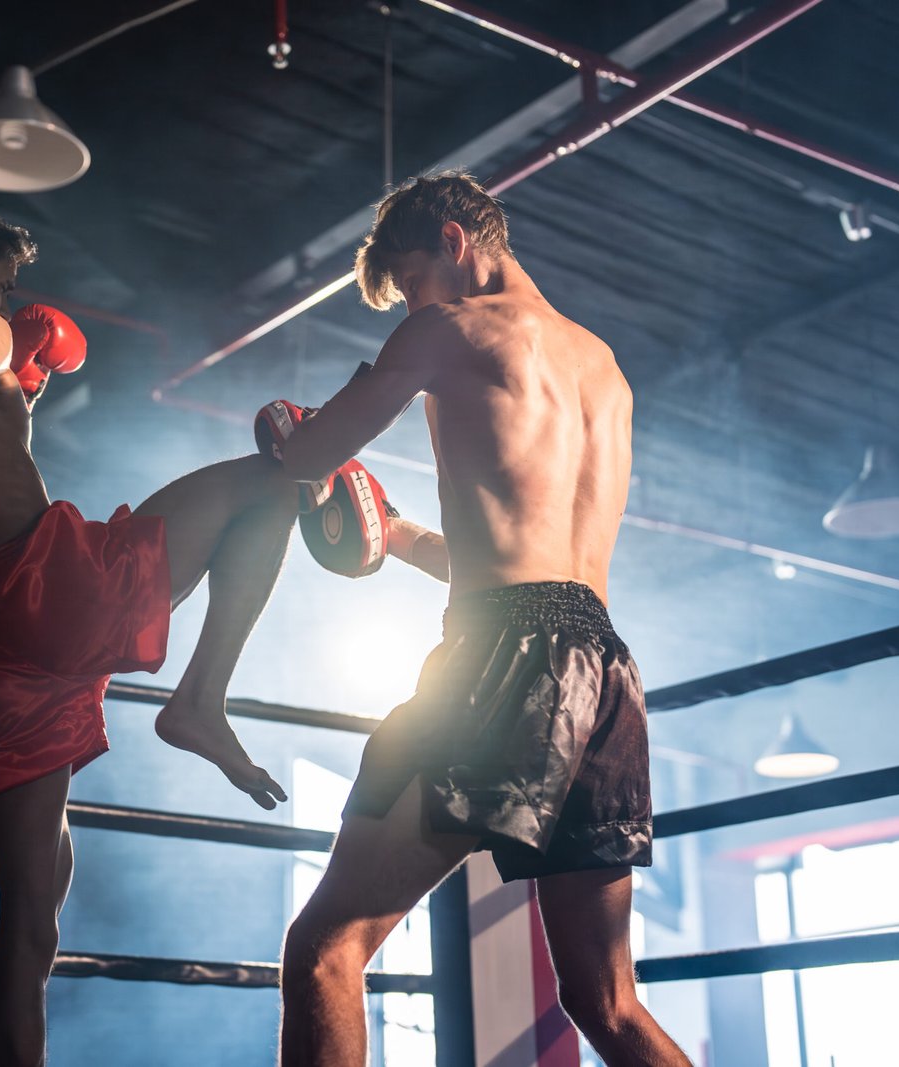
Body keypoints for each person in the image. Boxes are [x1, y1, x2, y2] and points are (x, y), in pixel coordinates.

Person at [0, 197, 294, 1066]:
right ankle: (199, 701)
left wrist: (2, 418)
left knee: (30, 921)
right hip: (52, 593)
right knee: (275, 485)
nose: (7, 306)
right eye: (2, 284)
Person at [273, 173, 691, 1066]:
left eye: (415, 281)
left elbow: (308, 452)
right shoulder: (602, 365)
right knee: (607, 1003)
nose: (412, 306)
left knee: (324, 952)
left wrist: (283, 433)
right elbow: (530, 556)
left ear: (455, 243)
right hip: (607, 672)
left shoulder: (447, 330)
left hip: (502, 657)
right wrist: (400, 535)